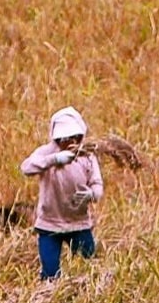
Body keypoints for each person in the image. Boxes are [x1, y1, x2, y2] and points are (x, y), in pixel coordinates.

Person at [19, 106, 104, 281]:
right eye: (65, 138)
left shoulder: (87, 156)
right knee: (50, 273)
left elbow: (97, 184)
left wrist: (91, 194)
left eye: (74, 137)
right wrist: (54, 159)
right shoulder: (46, 153)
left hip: (78, 223)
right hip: (49, 224)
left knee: (88, 269)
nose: (70, 141)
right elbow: (26, 167)